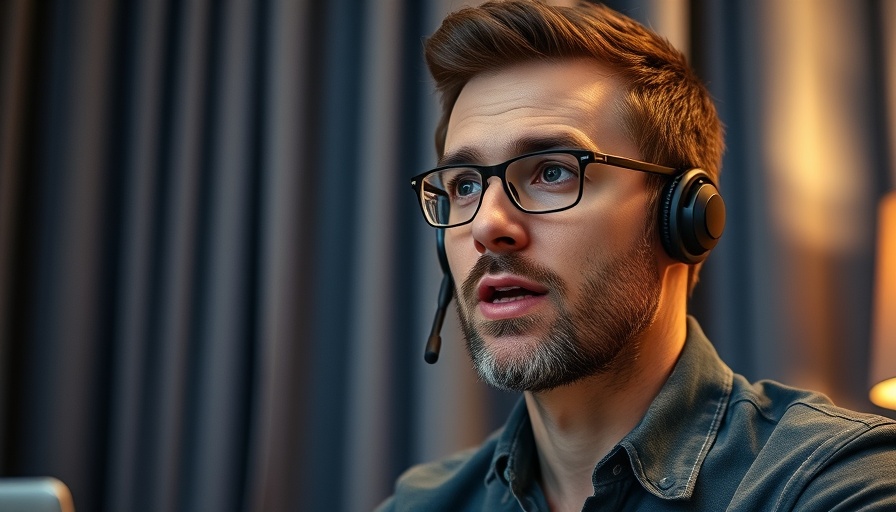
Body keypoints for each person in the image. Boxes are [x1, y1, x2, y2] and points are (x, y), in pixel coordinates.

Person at [378, 1, 896, 510]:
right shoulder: (423, 502)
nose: (488, 225)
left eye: (553, 171)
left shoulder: (836, 483)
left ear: (683, 218)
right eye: (465, 185)